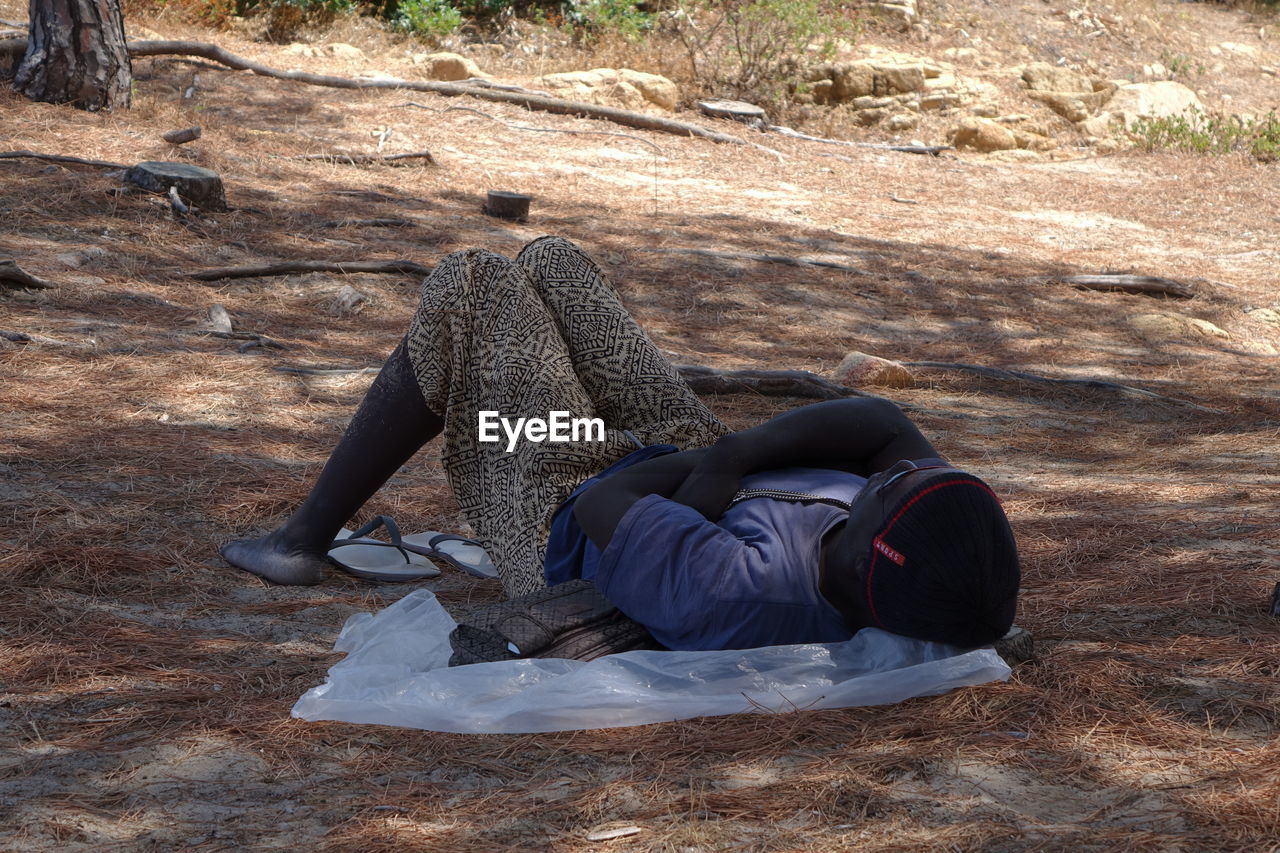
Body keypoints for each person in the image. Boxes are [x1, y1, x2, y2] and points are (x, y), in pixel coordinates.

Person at [221, 237, 1019, 651]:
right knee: (554, 264)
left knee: (472, 285)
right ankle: (307, 530)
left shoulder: (746, 587)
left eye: (888, 489)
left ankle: (304, 537)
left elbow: (605, 500)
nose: (893, 474)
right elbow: (881, 422)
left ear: (869, 555)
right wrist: (730, 457)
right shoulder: (915, 529)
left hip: (562, 503)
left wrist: (702, 466)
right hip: (689, 459)